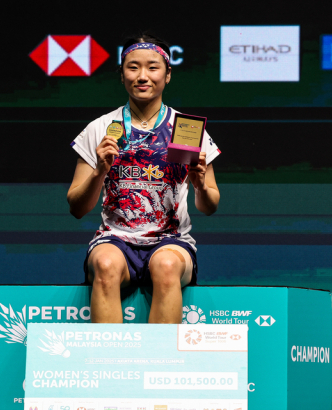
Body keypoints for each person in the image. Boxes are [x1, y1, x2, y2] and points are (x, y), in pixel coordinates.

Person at [67, 33, 221, 324]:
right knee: (105, 263)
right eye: (132, 67)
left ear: (168, 74)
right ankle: (109, 365)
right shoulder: (101, 127)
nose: (142, 76)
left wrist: (201, 186)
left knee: (165, 266)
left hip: (171, 241)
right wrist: (100, 170)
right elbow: (76, 207)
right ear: (121, 74)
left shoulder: (186, 129)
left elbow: (210, 205)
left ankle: (160, 364)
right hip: (115, 240)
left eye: (153, 67)